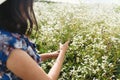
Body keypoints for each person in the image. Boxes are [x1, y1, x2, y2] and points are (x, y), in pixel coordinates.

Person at [0, 0, 69, 80]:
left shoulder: (6, 34)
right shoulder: (7, 43)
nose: (29, 10)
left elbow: (23, 62)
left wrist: (51, 55)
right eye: (28, 5)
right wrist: (62, 53)